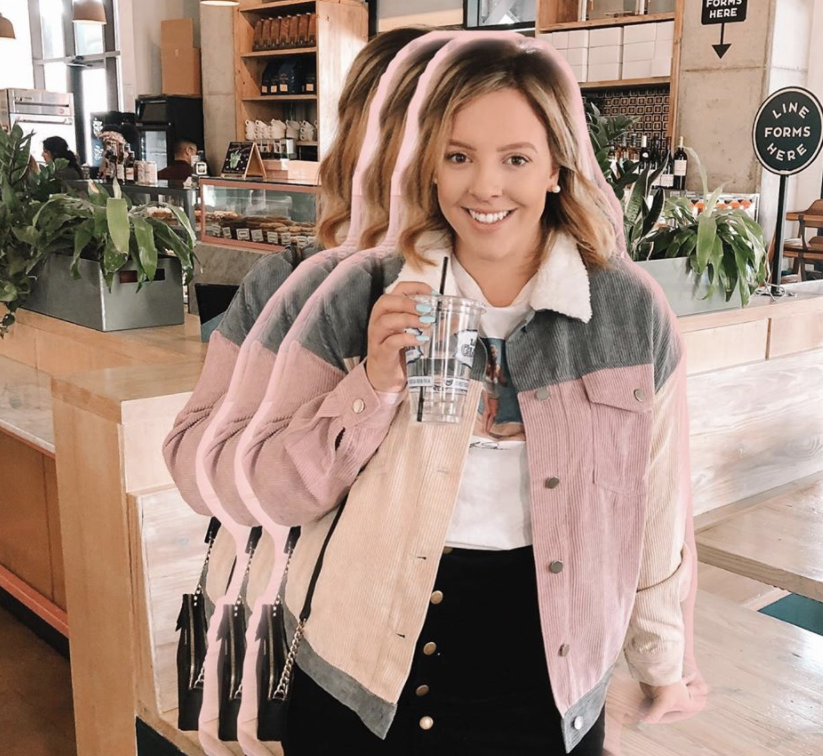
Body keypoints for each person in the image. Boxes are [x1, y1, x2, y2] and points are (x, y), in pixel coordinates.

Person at [243, 34, 705, 756]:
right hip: (362, 667)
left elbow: (656, 503)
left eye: (515, 159)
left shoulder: (628, 311)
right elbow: (276, 491)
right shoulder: (360, 291)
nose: (485, 187)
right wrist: (372, 386)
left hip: (550, 671)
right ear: (428, 164)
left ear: (556, 167)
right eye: (459, 156)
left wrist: (661, 658)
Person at [163, 26, 430, 519]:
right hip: (323, 562)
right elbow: (194, 467)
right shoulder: (293, 283)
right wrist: (369, 389)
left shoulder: (539, 293)